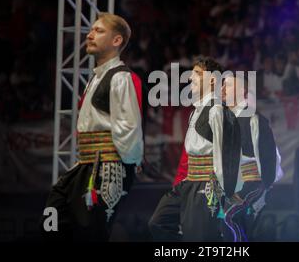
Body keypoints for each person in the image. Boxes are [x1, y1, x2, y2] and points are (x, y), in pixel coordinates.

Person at [41, 12, 144, 241]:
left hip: (107, 166)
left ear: (116, 41)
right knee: (54, 219)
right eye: (91, 30)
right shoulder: (96, 78)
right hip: (86, 164)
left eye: (99, 31)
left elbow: (129, 127)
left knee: (91, 233)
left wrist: (128, 164)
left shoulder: (120, 78)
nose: (90, 35)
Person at [149, 57, 243, 242]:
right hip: (188, 181)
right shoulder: (196, 111)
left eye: (197, 74)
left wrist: (227, 190)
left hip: (206, 184)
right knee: (158, 223)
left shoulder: (217, 110)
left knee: (199, 237)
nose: (191, 78)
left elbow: (227, 152)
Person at [221, 72, 283, 241]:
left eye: (228, 85)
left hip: (252, 184)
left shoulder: (253, 119)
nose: (223, 89)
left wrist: (263, 185)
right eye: (223, 85)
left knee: (229, 218)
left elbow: (269, 156)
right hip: (233, 185)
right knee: (226, 223)